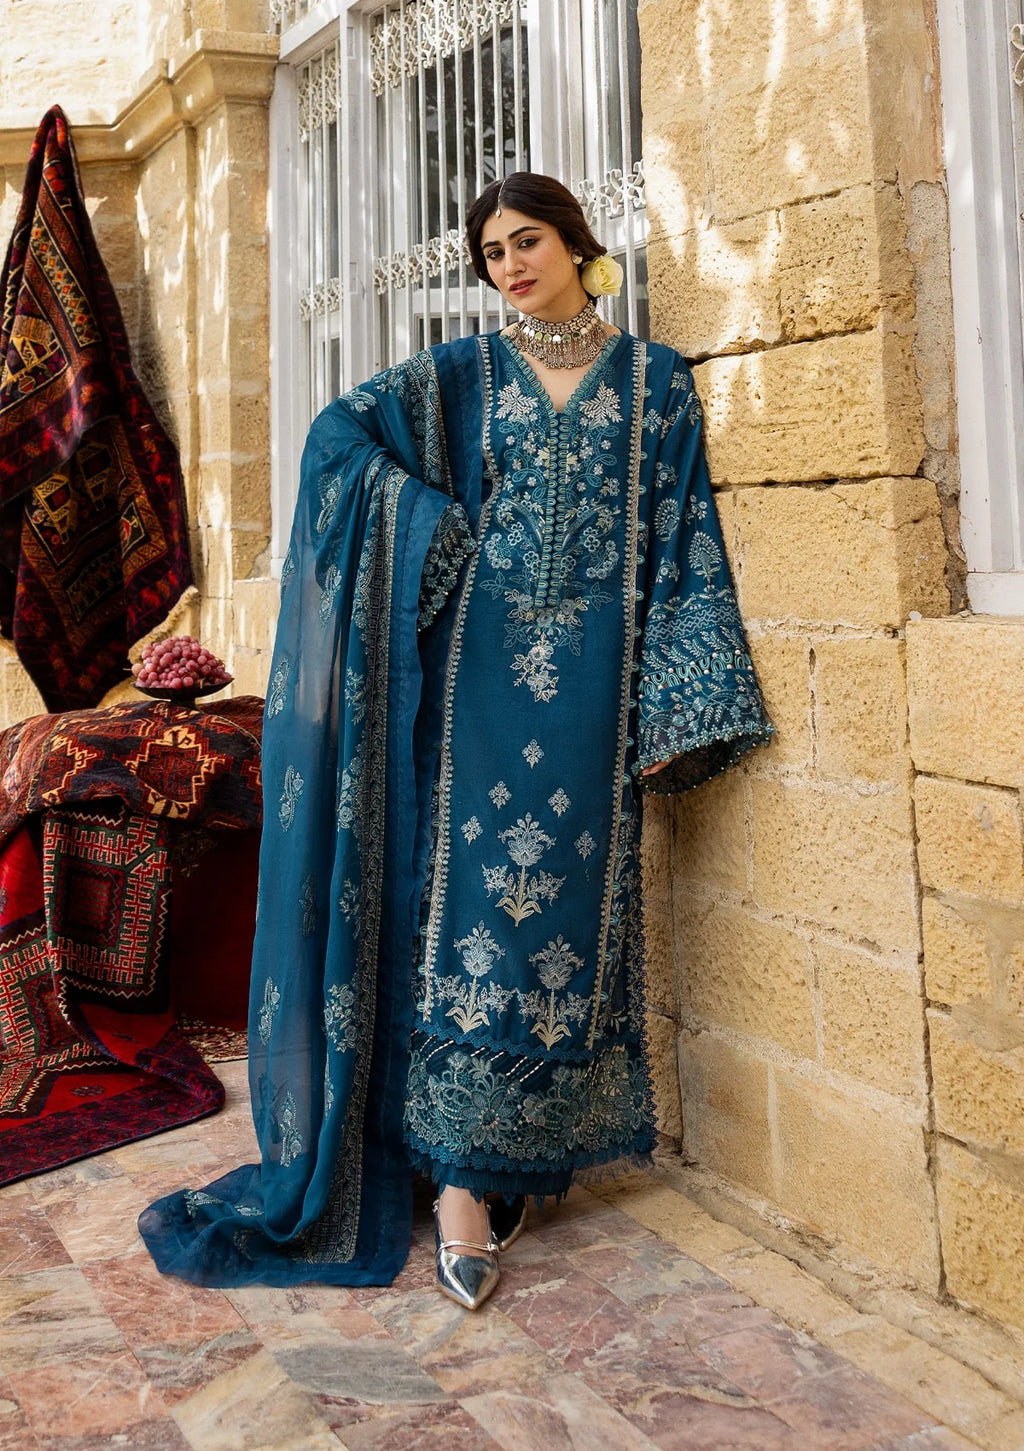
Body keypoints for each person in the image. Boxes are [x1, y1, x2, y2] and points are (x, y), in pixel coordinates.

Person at [139, 171, 772, 1309]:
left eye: (526, 241)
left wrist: (685, 704)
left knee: (576, 921)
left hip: (601, 699)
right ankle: (461, 1187)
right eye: (490, 254)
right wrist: (434, 535)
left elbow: (685, 541)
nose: (510, 266)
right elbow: (338, 445)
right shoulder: (461, 377)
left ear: (580, 244)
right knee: (471, 915)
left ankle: (520, 1155)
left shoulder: (655, 385)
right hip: (471, 694)